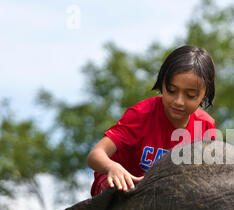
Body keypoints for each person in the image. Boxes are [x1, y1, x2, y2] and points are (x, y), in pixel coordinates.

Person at [87, 45, 216, 196]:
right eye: (172, 91)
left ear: (204, 95)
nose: (179, 101)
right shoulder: (141, 115)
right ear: (162, 83)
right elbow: (95, 155)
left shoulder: (205, 125)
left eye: (190, 95)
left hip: (164, 192)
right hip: (120, 185)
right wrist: (112, 167)